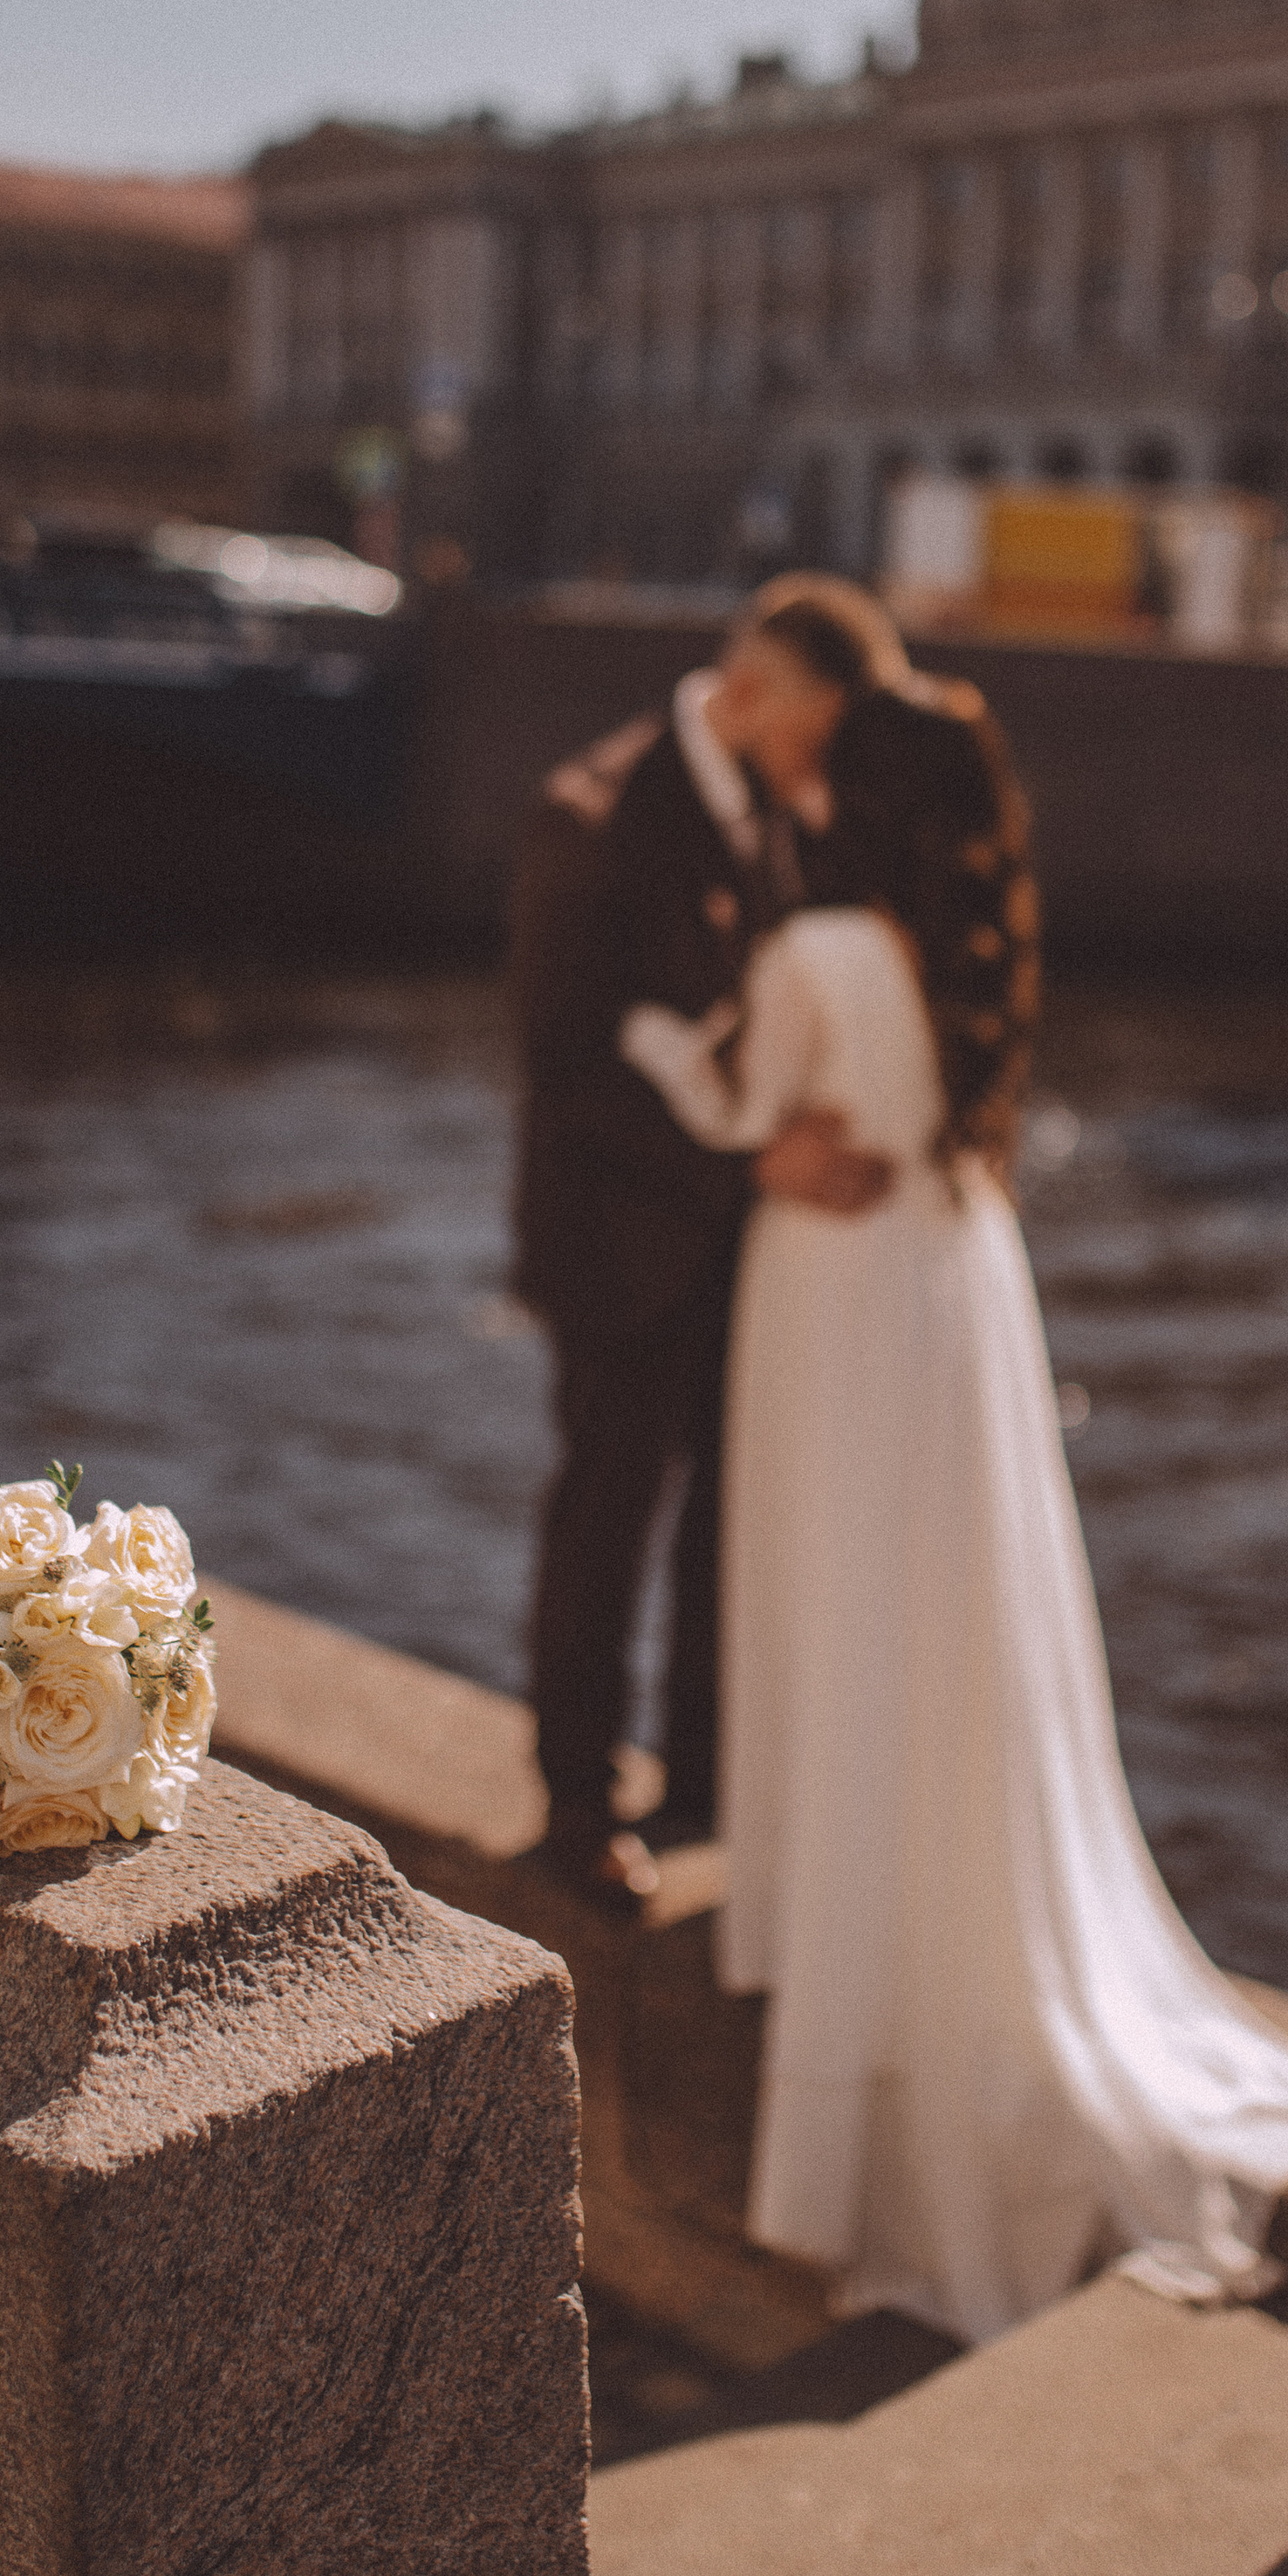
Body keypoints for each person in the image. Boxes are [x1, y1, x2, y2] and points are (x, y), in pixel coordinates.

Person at [617, 685, 1288, 2342]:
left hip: (831, 1305)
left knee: (836, 1617)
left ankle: (849, 2024)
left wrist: (660, 1045)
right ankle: (939, 1968)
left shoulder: (817, 953)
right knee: (948, 1633)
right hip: (949, 1293)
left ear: (853, 801)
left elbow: (748, 1112)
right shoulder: (966, 959)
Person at [511, 577, 1012, 1915]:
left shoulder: (794, 823)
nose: (826, 766)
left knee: (732, 1512)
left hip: (750, 1245)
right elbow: (565, 1074)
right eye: (819, 736)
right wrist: (752, 1160)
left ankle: (702, 1778)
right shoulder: (593, 819)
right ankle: (575, 1805)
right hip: (621, 1244)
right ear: (757, 696)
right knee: (608, 1512)